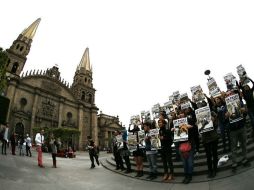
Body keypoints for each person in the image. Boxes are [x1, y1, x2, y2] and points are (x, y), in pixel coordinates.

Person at [225, 92, 250, 172]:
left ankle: (245, 159)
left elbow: (246, 112)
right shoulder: (225, 106)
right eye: (228, 94)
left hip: (241, 127)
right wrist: (226, 116)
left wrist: (244, 110)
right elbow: (224, 119)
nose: (230, 95)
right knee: (234, 147)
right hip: (232, 130)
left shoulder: (240, 102)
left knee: (243, 144)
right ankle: (234, 163)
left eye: (231, 94)